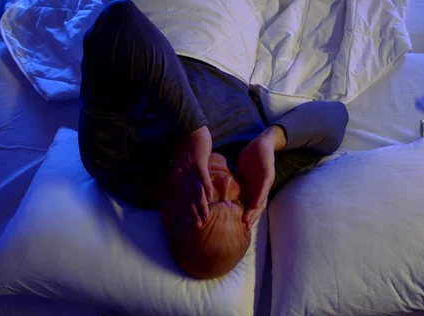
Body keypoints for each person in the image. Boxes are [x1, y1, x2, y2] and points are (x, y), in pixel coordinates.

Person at [78, 0, 348, 279]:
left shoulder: (115, 162)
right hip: (233, 23)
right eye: (236, 201)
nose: (228, 183)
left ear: (168, 215)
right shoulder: (251, 180)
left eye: (211, 200)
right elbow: (337, 120)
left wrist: (191, 130)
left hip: (166, 20)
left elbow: (118, 20)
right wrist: (271, 139)